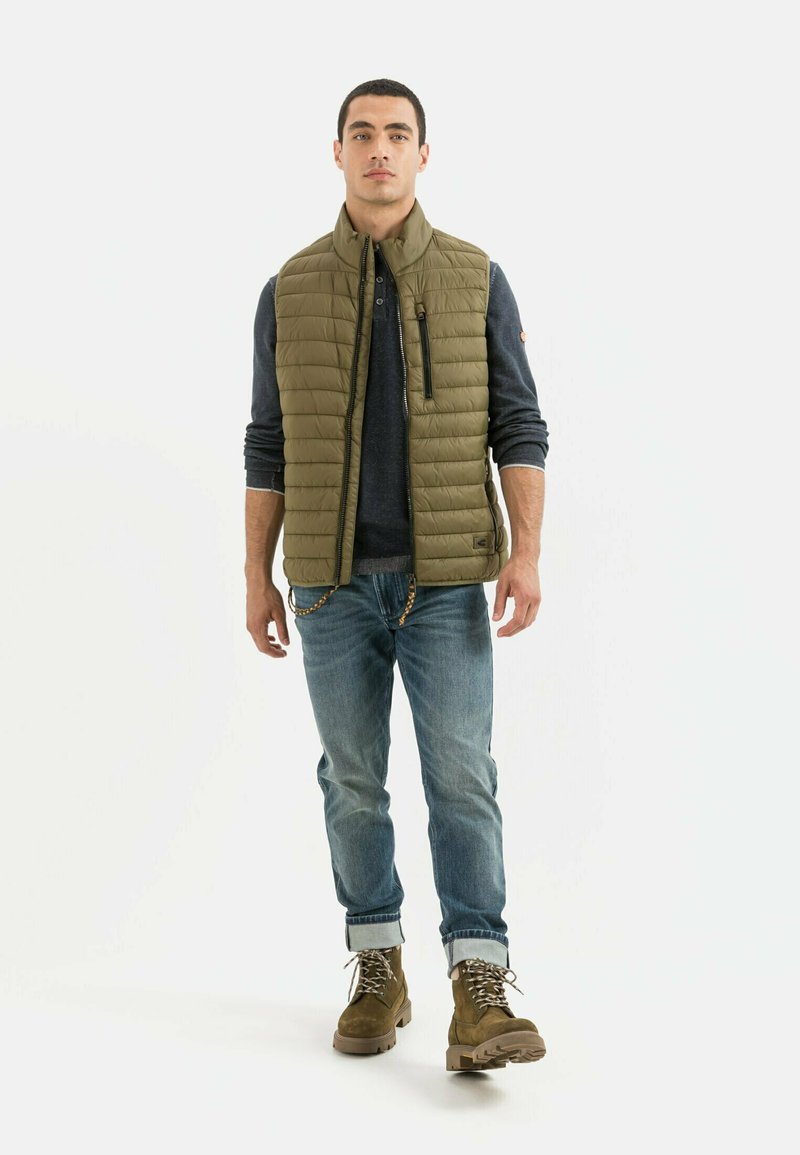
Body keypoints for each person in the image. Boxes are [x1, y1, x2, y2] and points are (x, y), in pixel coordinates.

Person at [243, 78, 549, 1073]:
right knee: (352, 783)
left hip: (446, 582)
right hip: (328, 587)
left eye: (398, 133)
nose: (380, 148)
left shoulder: (476, 277)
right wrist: (255, 575)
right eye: (362, 133)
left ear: (423, 154)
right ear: (336, 152)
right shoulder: (288, 288)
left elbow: (519, 423)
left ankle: (478, 986)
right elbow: (266, 443)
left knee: (462, 779)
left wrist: (527, 552)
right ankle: (378, 965)